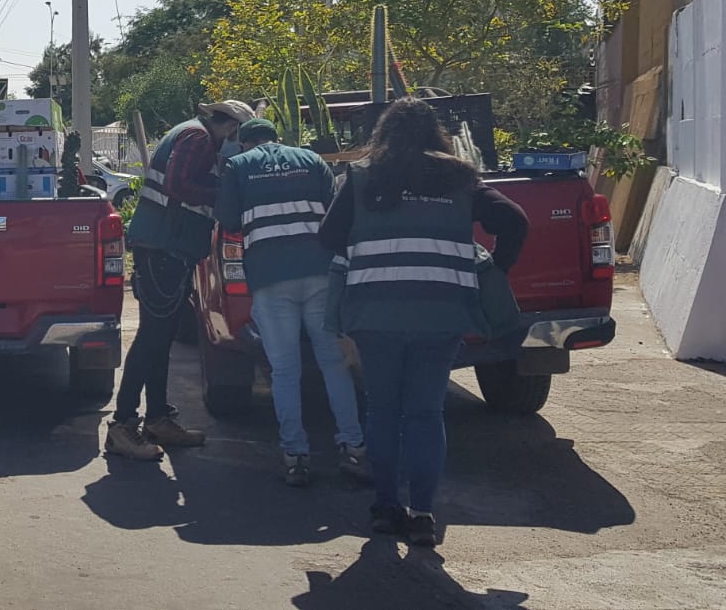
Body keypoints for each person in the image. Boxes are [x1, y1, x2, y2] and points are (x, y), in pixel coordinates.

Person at [319, 97, 528, 548]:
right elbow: (514, 221)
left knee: (383, 410)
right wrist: (492, 272)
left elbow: (328, 238)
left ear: (384, 134)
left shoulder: (363, 178)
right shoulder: (460, 178)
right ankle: (422, 514)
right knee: (426, 412)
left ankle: (385, 508)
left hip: (375, 314)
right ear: (436, 133)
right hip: (441, 313)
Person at [216, 118, 368, 487]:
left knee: (285, 370)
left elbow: (227, 219)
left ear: (244, 142)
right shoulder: (311, 160)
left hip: (270, 279)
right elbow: (337, 213)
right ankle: (354, 447)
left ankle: (295, 455)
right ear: (276, 139)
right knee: (333, 363)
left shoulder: (238, 166)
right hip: (320, 274)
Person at [107, 99, 254, 460]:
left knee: (161, 338)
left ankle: (157, 419)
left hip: (167, 247)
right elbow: (178, 185)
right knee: (151, 338)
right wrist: (223, 194)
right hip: (163, 248)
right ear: (233, 128)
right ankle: (122, 425)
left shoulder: (191, 133)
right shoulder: (198, 138)